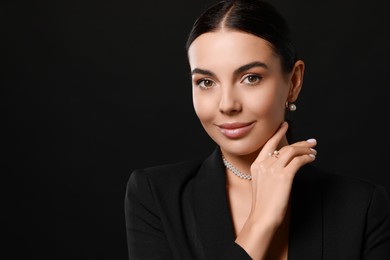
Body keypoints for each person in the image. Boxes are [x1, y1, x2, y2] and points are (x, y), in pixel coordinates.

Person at [124, 0, 390, 259]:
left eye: (251, 78)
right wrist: (261, 221)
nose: (227, 104)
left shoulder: (362, 207)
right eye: (206, 82)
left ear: (294, 82)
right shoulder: (156, 195)